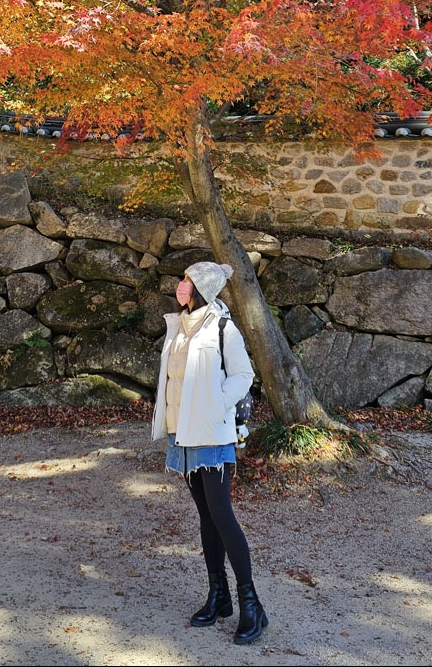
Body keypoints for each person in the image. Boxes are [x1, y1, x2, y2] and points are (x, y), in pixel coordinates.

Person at [152, 260, 269, 646]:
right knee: (206, 517)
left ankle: (251, 604)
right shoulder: (180, 326)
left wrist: (216, 405)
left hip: (212, 436)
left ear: (202, 288)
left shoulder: (222, 327)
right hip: (183, 434)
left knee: (223, 516)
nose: (181, 284)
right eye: (182, 278)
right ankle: (218, 595)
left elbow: (243, 375)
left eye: (188, 280)